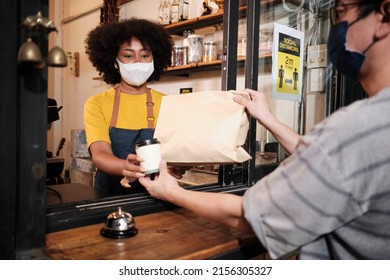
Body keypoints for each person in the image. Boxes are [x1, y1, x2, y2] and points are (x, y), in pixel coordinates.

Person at [135, 0, 390, 259]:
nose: (336, 26)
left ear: (384, 15)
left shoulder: (357, 128)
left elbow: (248, 216)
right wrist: (267, 118)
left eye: (341, 11)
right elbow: (326, 158)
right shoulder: (370, 127)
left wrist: (171, 192)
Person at [84, 18, 183, 195]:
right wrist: (126, 166)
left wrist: (177, 165)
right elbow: (100, 155)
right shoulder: (97, 103)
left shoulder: (168, 103)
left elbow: (175, 151)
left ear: (154, 59)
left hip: (157, 193)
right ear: (115, 62)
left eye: (145, 55)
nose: (138, 62)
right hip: (111, 194)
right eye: (129, 56)